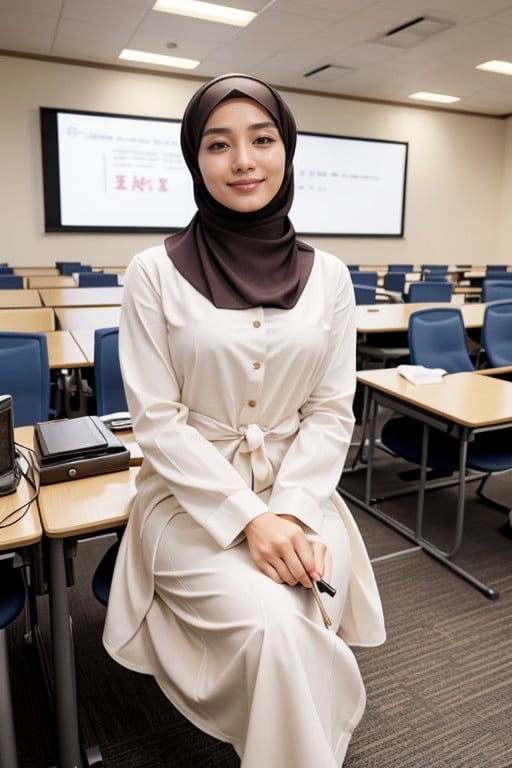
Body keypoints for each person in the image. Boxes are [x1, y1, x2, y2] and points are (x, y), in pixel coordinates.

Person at [103, 73, 385, 768]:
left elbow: (328, 411)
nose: (244, 161)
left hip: (305, 494)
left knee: (291, 619)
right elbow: (158, 423)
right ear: (195, 162)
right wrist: (247, 519)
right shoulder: (152, 272)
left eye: (262, 140)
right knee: (280, 630)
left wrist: (286, 511)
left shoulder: (332, 278)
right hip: (187, 504)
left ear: (286, 151)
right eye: (218, 145)